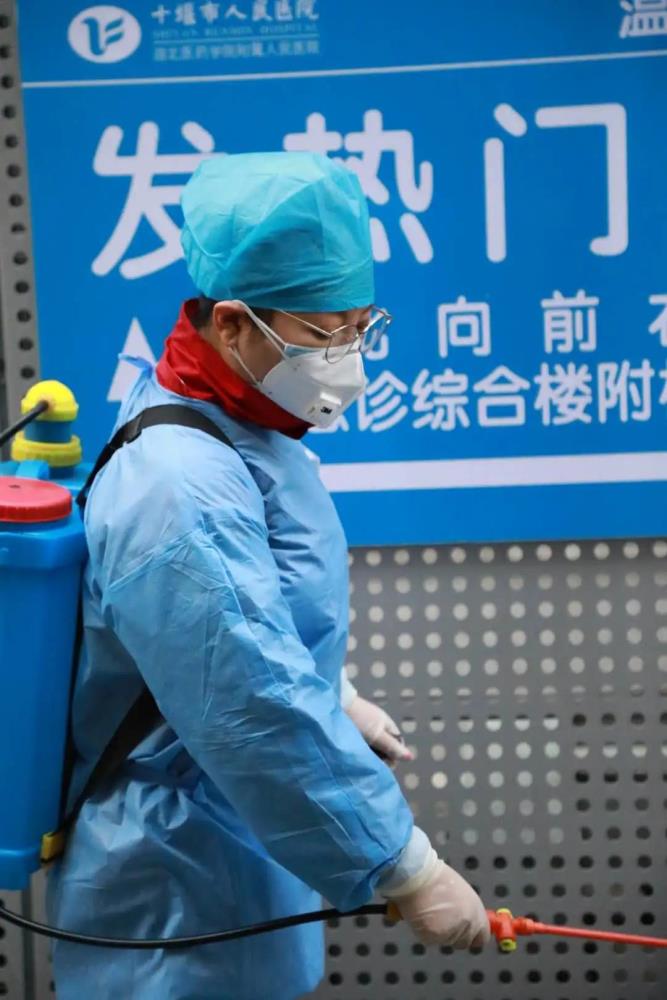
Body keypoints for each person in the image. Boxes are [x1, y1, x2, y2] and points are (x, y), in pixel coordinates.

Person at [48, 152, 489, 1000]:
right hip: (172, 884)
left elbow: (245, 607)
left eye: (359, 326)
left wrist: (334, 690)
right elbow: (250, 698)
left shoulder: (236, 421)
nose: (347, 356)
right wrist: (402, 864)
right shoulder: (176, 480)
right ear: (232, 324)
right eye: (323, 334)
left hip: (229, 847)